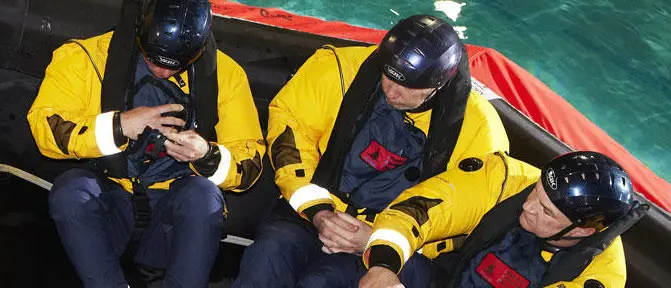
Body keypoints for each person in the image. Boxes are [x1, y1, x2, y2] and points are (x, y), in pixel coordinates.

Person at [232, 14, 511, 287]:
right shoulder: (336, 68)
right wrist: (319, 211)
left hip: (393, 242)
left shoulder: (480, 131)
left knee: (320, 282)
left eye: (407, 86)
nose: (391, 91)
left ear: (438, 85)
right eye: (388, 75)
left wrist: (380, 241)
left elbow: (465, 216)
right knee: (268, 255)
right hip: (315, 207)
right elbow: (290, 133)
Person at [25, 0, 269, 286]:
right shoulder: (84, 57)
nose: (163, 72)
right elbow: (44, 128)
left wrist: (207, 155)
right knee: (71, 190)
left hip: (170, 217)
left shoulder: (227, 76)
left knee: (204, 196)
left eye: (178, 64)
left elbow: (249, 163)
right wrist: (119, 126)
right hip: (112, 203)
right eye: (153, 59)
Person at [357, 151, 640, 288]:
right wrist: (384, 265)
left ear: (582, 231)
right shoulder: (505, 178)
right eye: (536, 190)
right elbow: (419, 208)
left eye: (546, 211)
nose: (528, 206)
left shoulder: (600, 277)